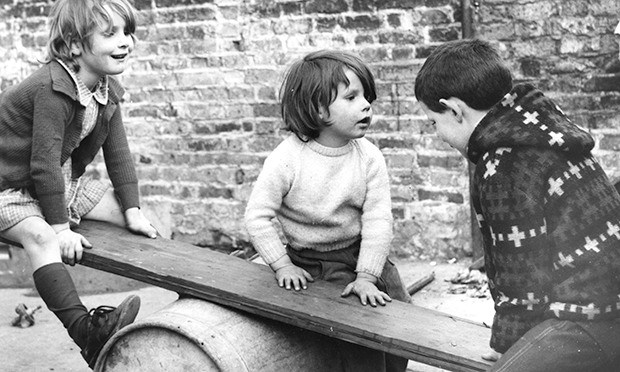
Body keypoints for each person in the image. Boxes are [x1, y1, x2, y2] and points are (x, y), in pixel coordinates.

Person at [414, 38, 620, 371]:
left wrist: (507, 344)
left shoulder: (502, 164)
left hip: (588, 318)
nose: (438, 134)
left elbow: (520, 275)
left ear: (454, 110)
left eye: (433, 123)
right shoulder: (543, 129)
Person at [0, 0, 157, 368]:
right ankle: (86, 332)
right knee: (41, 238)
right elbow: (41, 164)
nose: (126, 42)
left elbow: (118, 153)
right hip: (7, 186)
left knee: (129, 215)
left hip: (54, 180)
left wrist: (132, 210)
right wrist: (60, 228)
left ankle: (182, 312)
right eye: (111, 34)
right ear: (74, 45)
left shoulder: (105, 87)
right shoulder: (52, 88)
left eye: (128, 32)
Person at [244, 50, 410, 372]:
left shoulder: (369, 157)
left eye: (366, 96)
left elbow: (378, 220)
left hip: (360, 253)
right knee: (358, 336)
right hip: (314, 262)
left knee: (402, 317)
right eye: (352, 97)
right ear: (319, 110)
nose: (366, 105)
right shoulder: (288, 159)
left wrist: (367, 275)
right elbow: (257, 216)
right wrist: (281, 265)